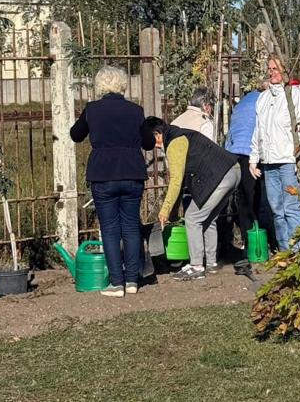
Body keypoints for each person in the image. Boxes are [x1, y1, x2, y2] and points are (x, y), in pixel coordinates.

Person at [70, 66, 152, 297]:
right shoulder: (136, 111)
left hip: (103, 174)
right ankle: (133, 280)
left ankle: (116, 282)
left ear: (100, 86)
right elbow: (147, 142)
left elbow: (76, 135)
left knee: (110, 228)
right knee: (130, 225)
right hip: (133, 172)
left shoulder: (92, 110)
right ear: (123, 85)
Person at [148, 117, 241, 281]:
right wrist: (174, 212)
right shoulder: (181, 135)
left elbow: (176, 181)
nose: (153, 147)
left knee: (192, 218)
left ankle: (196, 266)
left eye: (151, 140)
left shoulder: (175, 143)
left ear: (157, 134)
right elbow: (182, 180)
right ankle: (211, 264)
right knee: (207, 219)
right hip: (233, 170)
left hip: (220, 175)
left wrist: (165, 210)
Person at [248, 56, 300, 250]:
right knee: (276, 209)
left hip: (288, 160)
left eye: (276, 68)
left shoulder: (295, 95)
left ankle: (298, 251)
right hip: (269, 162)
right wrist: (253, 158)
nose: (272, 72)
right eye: (269, 68)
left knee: (291, 207)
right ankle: (285, 251)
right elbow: (257, 130)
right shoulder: (263, 98)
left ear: (285, 71)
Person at [225, 82, 272, 265]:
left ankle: (246, 237)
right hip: (250, 151)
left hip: (232, 149)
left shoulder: (244, 100)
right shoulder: (264, 100)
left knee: (242, 196)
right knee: (254, 196)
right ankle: (256, 237)